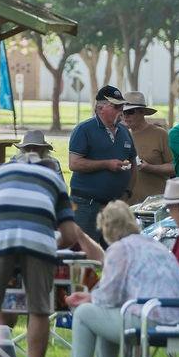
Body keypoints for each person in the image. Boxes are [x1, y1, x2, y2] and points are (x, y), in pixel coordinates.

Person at [0, 136, 94, 357]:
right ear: (45, 157)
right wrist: (52, 245)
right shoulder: (53, 179)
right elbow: (70, 234)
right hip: (38, 243)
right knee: (39, 309)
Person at [51, 200, 179, 357]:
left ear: (107, 228)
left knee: (83, 313)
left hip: (152, 319)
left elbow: (108, 297)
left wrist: (88, 299)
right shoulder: (154, 245)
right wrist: (93, 298)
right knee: (104, 315)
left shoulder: (120, 249)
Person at [66, 84, 136, 243]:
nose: (121, 111)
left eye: (122, 106)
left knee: (114, 250)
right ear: (100, 108)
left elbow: (133, 163)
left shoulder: (124, 131)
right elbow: (74, 164)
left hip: (114, 205)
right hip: (86, 205)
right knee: (85, 250)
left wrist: (127, 193)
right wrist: (107, 164)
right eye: (116, 106)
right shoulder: (84, 129)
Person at [121, 93, 175, 205]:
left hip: (156, 203)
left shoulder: (160, 134)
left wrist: (150, 168)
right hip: (128, 204)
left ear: (142, 112)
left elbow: (174, 167)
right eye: (123, 112)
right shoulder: (121, 135)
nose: (125, 116)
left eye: (130, 112)